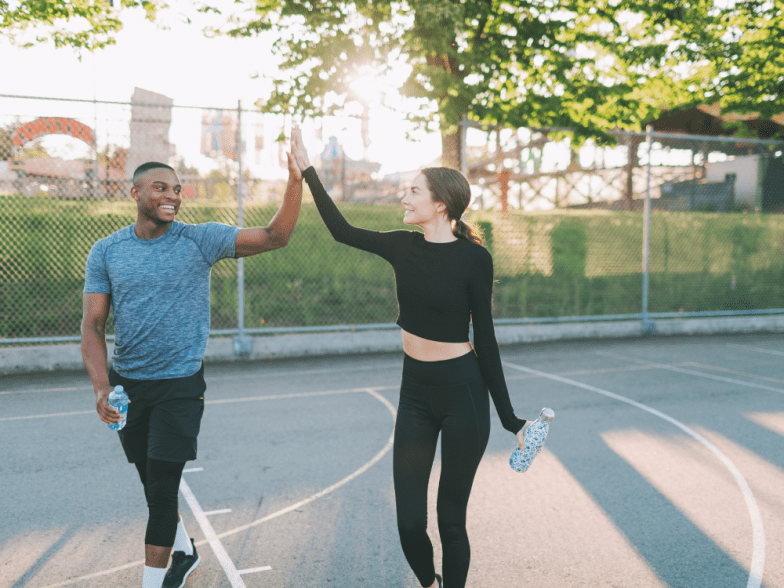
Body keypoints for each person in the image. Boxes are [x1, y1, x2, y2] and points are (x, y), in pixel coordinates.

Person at [289, 132, 532, 588]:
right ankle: (429, 582)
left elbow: (487, 339)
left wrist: (509, 418)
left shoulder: (474, 259)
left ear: (441, 204)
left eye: (414, 190)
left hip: (464, 392)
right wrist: (308, 172)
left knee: (451, 522)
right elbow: (342, 231)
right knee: (408, 525)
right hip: (415, 392)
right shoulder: (403, 245)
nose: (404, 196)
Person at [80, 135, 303, 588]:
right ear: (136, 194)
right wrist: (102, 387)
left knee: (162, 492)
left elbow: (275, 236)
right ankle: (183, 550)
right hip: (128, 386)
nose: (172, 196)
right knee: (150, 483)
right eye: (161, 188)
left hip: (180, 386)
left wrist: (295, 179)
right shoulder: (107, 251)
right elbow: (93, 327)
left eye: (178, 189)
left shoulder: (200, 240)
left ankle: (154, 581)